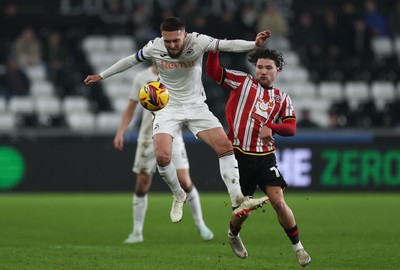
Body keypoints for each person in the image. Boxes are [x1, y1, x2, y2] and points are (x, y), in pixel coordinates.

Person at [84, 17, 270, 227]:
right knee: (162, 157)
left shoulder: (198, 42)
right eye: (168, 41)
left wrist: (254, 45)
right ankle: (179, 195)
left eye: (176, 41)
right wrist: (102, 75)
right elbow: (130, 60)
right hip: (167, 107)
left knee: (225, 146)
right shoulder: (155, 46)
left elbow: (228, 44)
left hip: (196, 105)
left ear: (184, 35)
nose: (171, 45)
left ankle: (237, 198)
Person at [206, 49, 311, 267]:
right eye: (260, 67)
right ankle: (233, 234)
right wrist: (213, 48)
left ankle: (298, 248)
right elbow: (214, 72)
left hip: (265, 157)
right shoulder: (243, 82)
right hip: (239, 155)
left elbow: (291, 128)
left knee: (278, 202)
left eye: (268, 68)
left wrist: (271, 127)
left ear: (277, 71)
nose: (262, 71)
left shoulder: (282, 98)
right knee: (243, 211)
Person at [113, 62, 213, 243]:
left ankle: (201, 225)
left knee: (184, 181)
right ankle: (137, 232)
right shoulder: (141, 77)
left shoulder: (179, 75)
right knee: (142, 184)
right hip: (147, 137)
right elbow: (131, 108)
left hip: (172, 136)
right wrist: (121, 131)